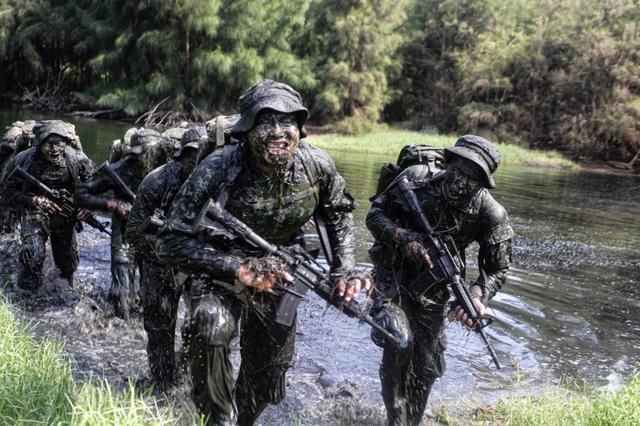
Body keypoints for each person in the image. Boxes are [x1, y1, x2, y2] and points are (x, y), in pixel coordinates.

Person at [155, 80, 370, 425]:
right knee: (210, 325)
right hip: (222, 271)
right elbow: (168, 242)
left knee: (269, 377)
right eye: (265, 122)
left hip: (284, 274)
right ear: (247, 128)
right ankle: (216, 419)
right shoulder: (217, 167)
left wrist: (344, 270)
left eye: (287, 123)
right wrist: (237, 267)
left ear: (300, 129)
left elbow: (340, 218)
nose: (277, 133)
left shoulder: (318, 167)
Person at [366, 135, 513, 425]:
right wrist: (403, 238)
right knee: (398, 341)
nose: (461, 184)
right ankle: (395, 414)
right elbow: (375, 215)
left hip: (434, 289)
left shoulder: (491, 213)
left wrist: (477, 296)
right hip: (391, 273)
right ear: (448, 164)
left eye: (472, 180)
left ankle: (412, 421)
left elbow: (497, 268)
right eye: (458, 172)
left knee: (427, 366)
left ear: (482, 185)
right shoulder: (416, 177)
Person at [126, 127, 204, 391]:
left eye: (205, 155)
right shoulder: (156, 181)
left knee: (203, 323)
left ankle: (188, 374)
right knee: (159, 324)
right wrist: (169, 246)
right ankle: (161, 382)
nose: (198, 162)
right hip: (159, 259)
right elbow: (134, 233)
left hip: (200, 261)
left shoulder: (220, 180)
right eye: (193, 155)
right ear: (182, 155)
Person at [76, 129, 164, 318]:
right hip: (125, 233)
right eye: (145, 154)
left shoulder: (169, 170)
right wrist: (113, 205)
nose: (150, 159)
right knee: (123, 296)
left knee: (155, 298)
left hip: (156, 235)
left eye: (154, 153)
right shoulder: (119, 170)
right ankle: (119, 324)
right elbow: (81, 194)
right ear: (136, 154)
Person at [0, 120, 95, 289]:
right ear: (38, 144)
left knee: (67, 266)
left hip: (65, 213)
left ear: (66, 143)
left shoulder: (78, 160)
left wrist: (87, 206)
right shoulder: (23, 160)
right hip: (34, 211)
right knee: (34, 254)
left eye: (59, 144)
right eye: (48, 144)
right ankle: (26, 293)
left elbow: (97, 187)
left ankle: (63, 298)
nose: (54, 149)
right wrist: (34, 200)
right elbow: (6, 193)